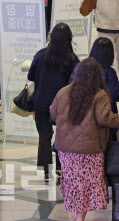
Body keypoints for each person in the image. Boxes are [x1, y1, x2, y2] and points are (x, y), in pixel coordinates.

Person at [50, 58, 119, 221]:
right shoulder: (100, 95)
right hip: (89, 150)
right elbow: (105, 119)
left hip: (65, 150)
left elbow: (52, 114)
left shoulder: (63, 92)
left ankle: (78, 216)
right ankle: (79, 218)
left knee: (74, 183)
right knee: (87, 185)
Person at [28, 23, 79, 181]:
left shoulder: (40, 55)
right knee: (62, 135)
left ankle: (44, 170)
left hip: (41, 103)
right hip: (63, 105)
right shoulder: (72, 59)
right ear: (69, 39)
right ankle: (60, 167)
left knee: (44, 136)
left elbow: (31, 76)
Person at [87, 37, 119, 142]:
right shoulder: (109, 72)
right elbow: (114, 93)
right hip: (105, 115)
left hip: (86, 112)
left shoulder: (84, 67)